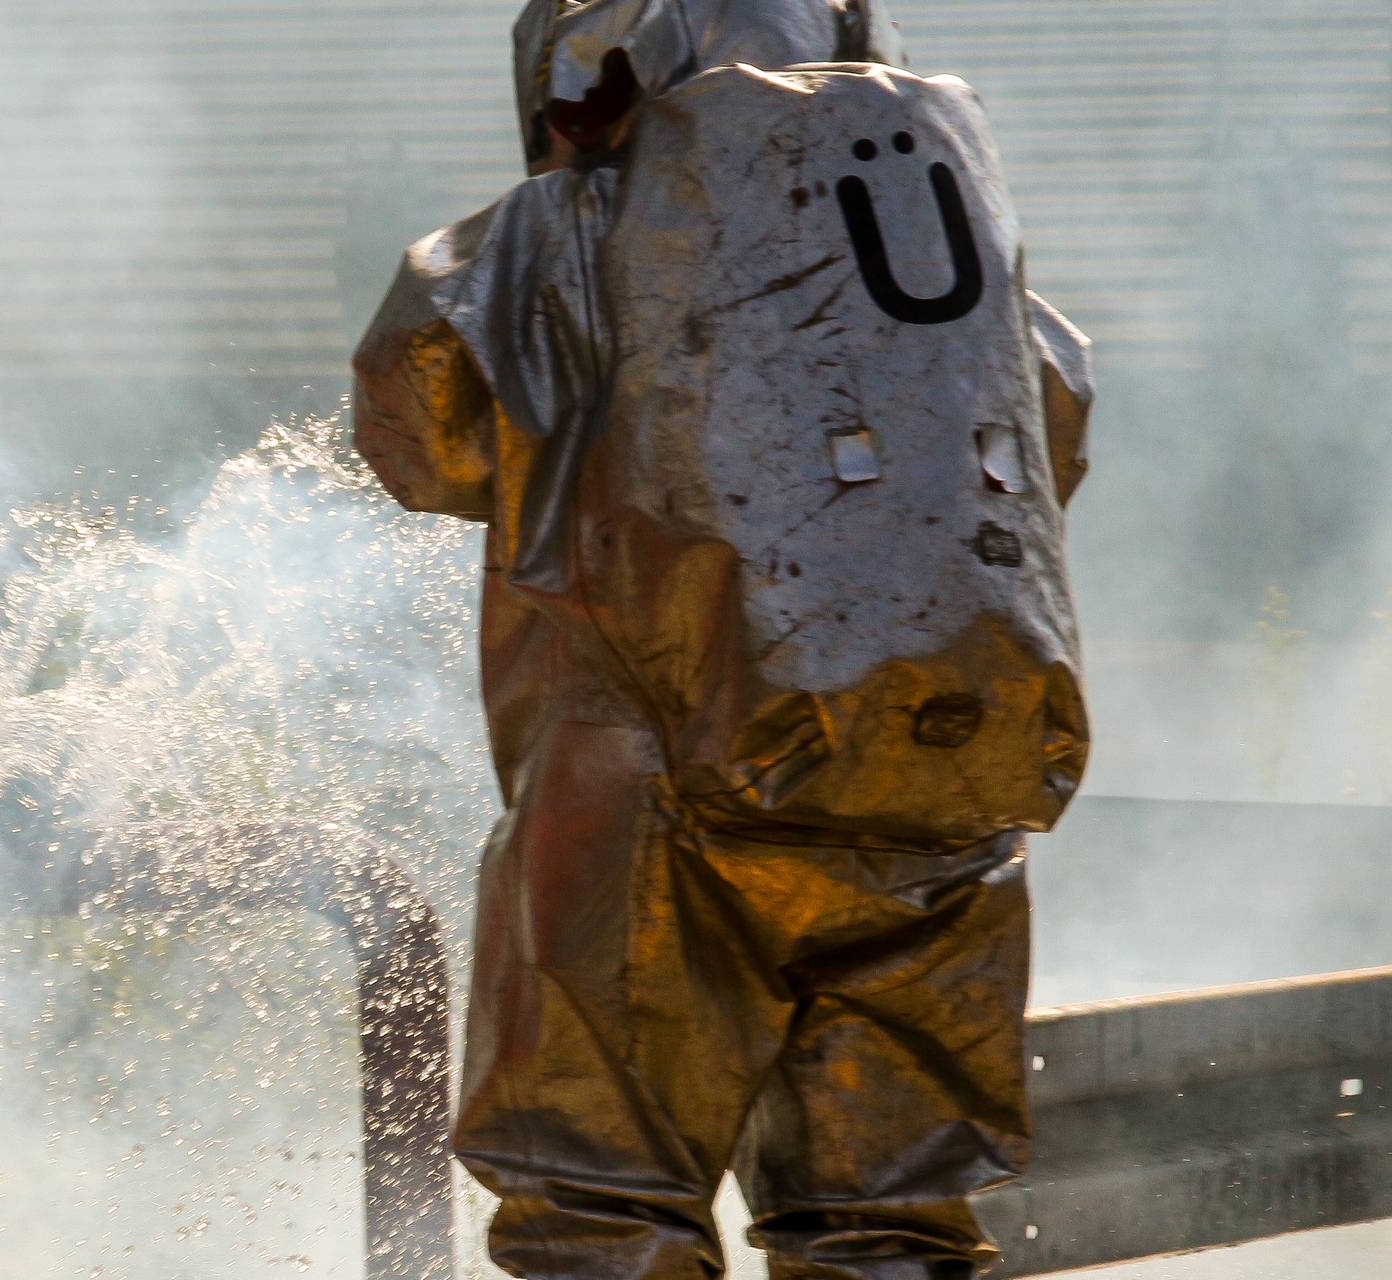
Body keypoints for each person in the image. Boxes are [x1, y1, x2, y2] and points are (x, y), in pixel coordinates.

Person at [351, 2, 1095, 1277]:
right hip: (945, 791)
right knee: (889, 1221)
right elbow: (1051, 438)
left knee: (602, 1206)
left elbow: (420, 441)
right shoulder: (963, 252)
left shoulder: (556, 230)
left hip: (653, 795)